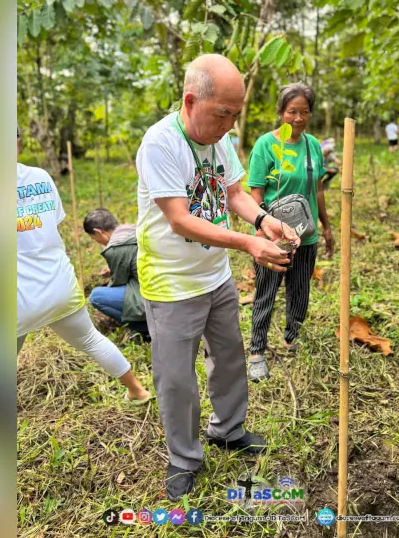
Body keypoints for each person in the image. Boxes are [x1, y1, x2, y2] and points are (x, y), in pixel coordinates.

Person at [135, 54, 300, 500]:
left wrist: (263, 221)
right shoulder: (160, 144)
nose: (229, 125)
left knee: (229, 359)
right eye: (222, 113)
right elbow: (181, 220)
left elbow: (234, 194)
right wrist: (248, 244)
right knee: (176, 379)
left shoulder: (220, 141)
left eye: (235, 115)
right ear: (191, 101)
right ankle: (184, 458)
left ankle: (228, 430)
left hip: (215, 277)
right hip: (171, 282)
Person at [17, 128, 152, 405]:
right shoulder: (40, 177)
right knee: (91, 340)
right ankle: (138, 391)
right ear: (17, 143)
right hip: (59, 285)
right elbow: (51, 224)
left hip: (18, 296)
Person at [245, 83, 335, 382]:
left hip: (306, 234)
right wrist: (259, 230)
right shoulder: (265, 145)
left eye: (304, 112)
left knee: (300, 291)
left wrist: (326, 225)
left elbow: (317, 189)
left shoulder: (312, 145)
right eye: (292, 112)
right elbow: (255, 193)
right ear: (281, 112)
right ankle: (257, 350)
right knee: (266, 292)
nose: (298, 118)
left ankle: (290, 339)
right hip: (276, 236)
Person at [83, 208, 150, 342]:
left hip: (148, 297)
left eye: (93, 238)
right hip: (163, 286)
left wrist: (111, 275)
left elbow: (119, 282)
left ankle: (143, 328)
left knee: (97, 296)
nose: (96, 241)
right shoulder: (132, 229)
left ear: (98, 232)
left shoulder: (116, 247)